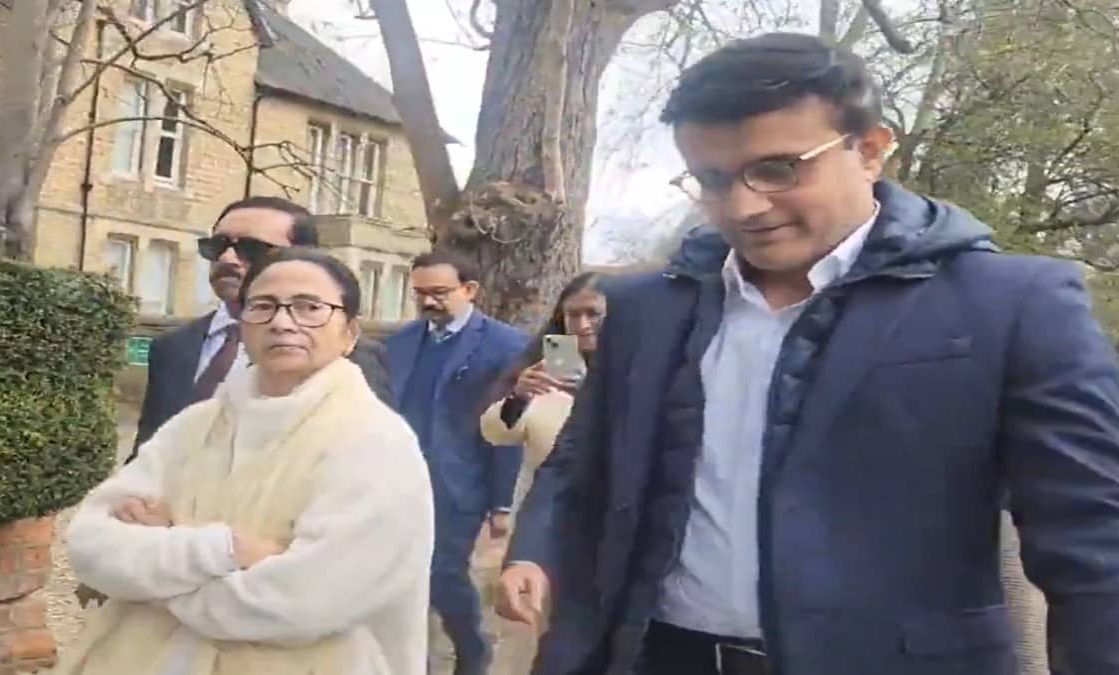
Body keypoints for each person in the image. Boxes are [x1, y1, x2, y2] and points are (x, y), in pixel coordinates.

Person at [500, 32, 1119, 675]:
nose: (743, 206)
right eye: (711, 179)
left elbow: (1094, 537)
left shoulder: (1010, 304)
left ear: (870, 149)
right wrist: (533, 551)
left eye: (777, 169)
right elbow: (581, 464)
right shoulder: (645, 310)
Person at [56, 248, 433, 675]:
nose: (282, 322)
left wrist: (156, 573)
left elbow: (304, 603)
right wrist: (225, 549)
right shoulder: (195, 426)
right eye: (263, 305)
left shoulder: (374, 441)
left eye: (309, 307)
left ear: (350, 333)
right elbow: (90, 544)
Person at [130, 196, 391, 460]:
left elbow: (367, 463)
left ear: (302, 258)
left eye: (251, 249)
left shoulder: (346, 356)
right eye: (217, 246)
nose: (228, 258)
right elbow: (147, 452)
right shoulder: (173, 347)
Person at [384, 250, 528, 675]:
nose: (428, 301)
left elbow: (513, 429)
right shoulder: (400, 342)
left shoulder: (509, 345)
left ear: (470, 290)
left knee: (443, 573)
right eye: (420, 293)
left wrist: (502, 504)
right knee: (400, 578)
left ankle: (472, 652)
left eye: (439, 292)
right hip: (399, 483)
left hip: (460, 484)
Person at [479, 272, 607, 675]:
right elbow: (496, 431)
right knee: (540, 641)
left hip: (612, 534)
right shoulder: (546, 373)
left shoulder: (641, 373)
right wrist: (518, 395)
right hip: (548, 531)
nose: (582, 325)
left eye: (594, 314)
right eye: (573, 315)